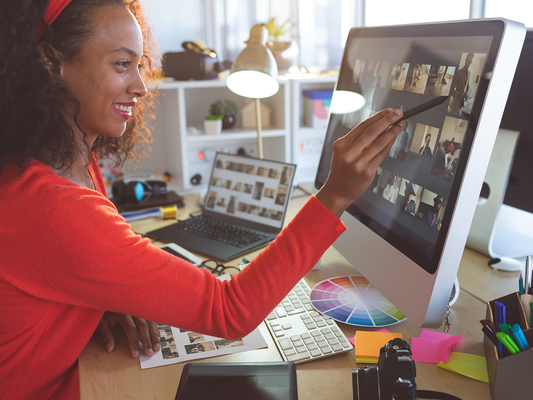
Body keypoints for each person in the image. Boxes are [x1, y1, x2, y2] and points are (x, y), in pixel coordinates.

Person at [0, 1, 404, 399]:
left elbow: (59, 270)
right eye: (121, 64)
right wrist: (333, 197)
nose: (141, 86)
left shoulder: (68, 161)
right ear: (52, 64)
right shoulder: (52, 205)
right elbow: (229, 310)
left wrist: (98, 300)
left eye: (139, 65)